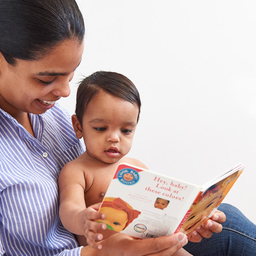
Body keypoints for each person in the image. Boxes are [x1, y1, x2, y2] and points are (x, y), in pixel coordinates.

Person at [0, 0, 255, 256]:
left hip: (128, 242)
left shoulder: (51, 115)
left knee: (224, 220)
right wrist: (101, 249)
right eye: (46, 78)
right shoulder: (71, 169)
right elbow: (77, 215)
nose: (65, 92)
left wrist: (185, 220)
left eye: (71, 74)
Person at [58, 71, 192, 255]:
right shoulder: (77, 170)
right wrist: (83, 219)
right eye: (100, 128)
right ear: (78, 126)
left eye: (126, 130)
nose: (114, 138)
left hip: (146, 244)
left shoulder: (137, 167)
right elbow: (68, 209)